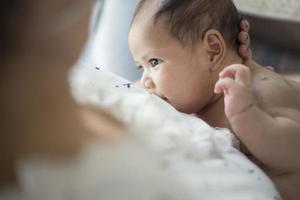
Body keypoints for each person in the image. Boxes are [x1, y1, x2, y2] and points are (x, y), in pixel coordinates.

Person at [128, 0, 300, 199]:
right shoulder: (198, 97)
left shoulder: (259, 91)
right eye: (141, 67)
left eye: (154, 62)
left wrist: (248, 117)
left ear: (213, 50)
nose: (146, 81)